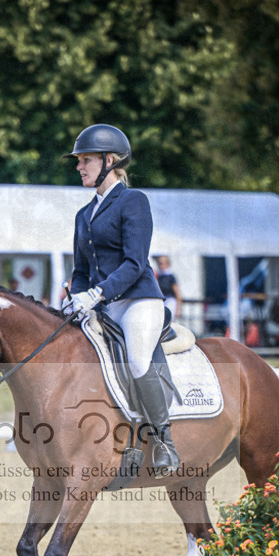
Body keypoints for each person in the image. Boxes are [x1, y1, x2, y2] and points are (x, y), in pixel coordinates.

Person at [63, 123, 180, 476]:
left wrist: (98, 293)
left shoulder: (133, 201)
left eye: (85, 160)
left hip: (138, 301)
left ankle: (164, 443)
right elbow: (81, 269)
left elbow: (134, 262)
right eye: (79, 161)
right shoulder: (83, 215)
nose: (79, 167)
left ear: (109, 161)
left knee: (139, 361)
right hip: (101, 305)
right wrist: (77, 296)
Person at [155, 255, 182, 319]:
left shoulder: (170, 277)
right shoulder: (159, 276)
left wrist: (178, 308)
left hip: (170, 301)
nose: (160, 266)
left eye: (161, 263)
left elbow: (177, 293)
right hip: (162, 301)